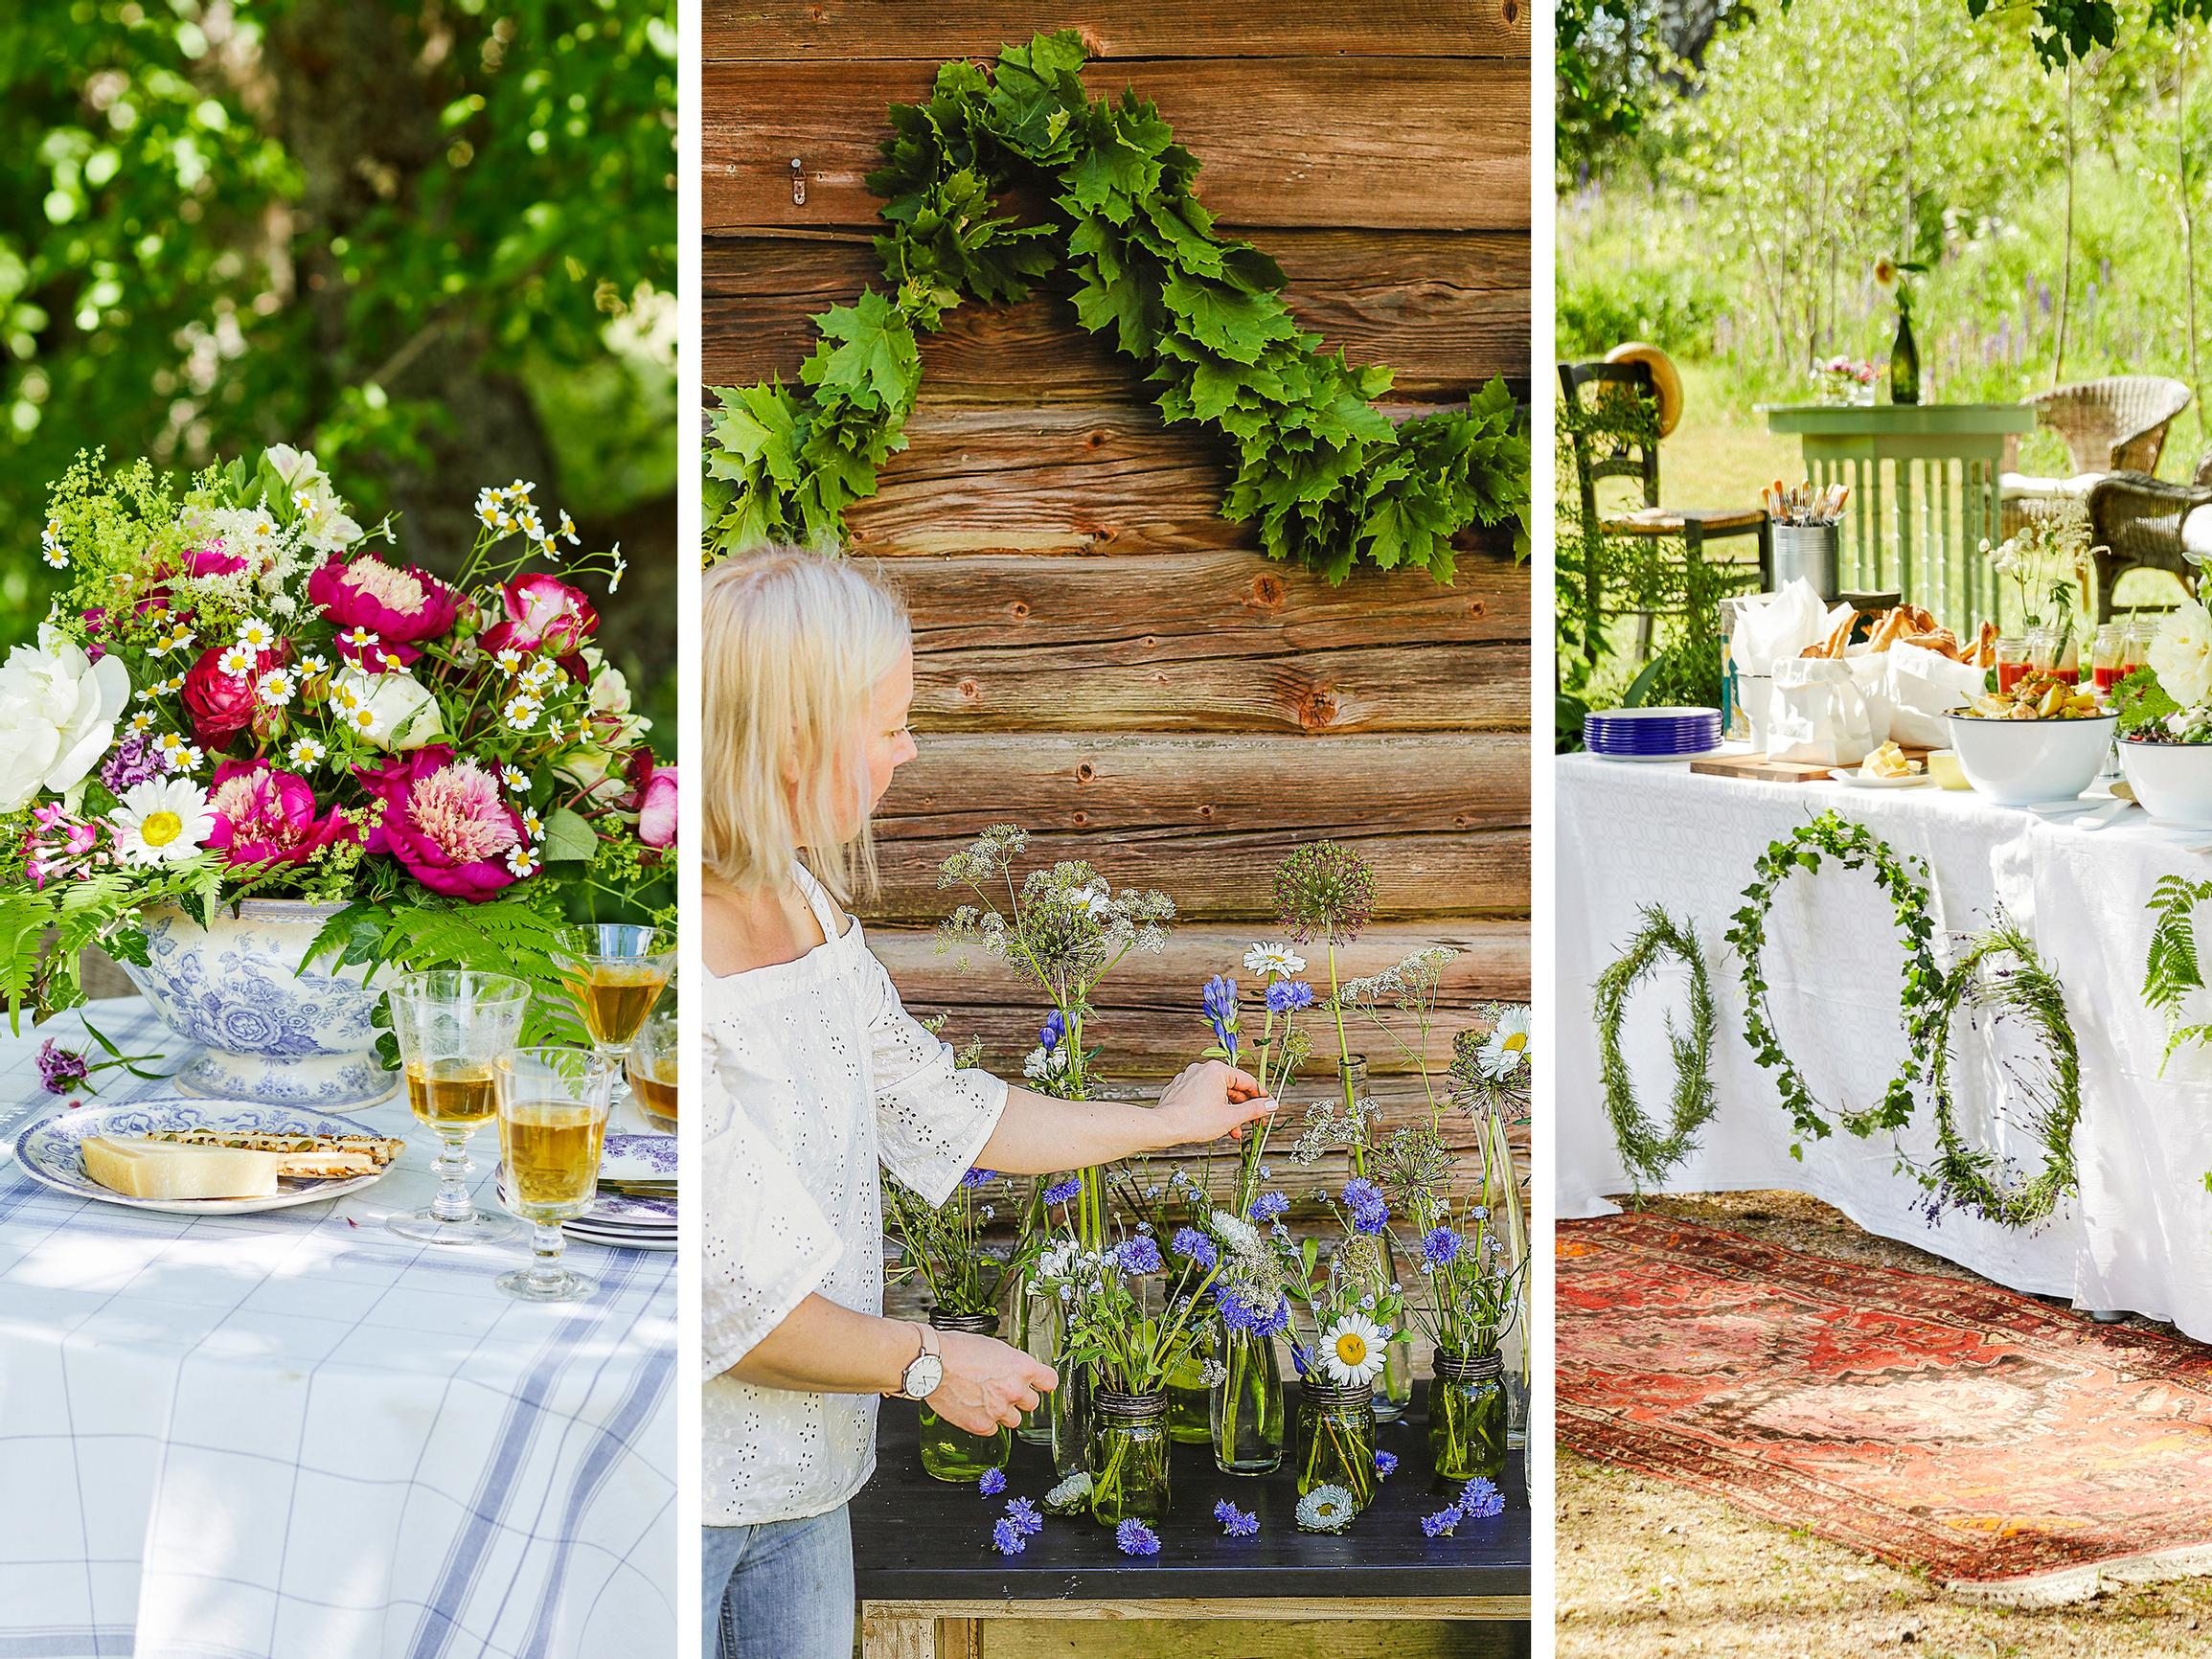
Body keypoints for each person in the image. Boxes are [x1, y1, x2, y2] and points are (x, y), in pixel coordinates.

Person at [700, 548, 1274, 1659]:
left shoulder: (801, 901)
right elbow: (735, 1310)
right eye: (887, 726)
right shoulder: (687, 968)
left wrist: (1166, 1119)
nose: (908, 749)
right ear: (791, 740)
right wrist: (928, 1361)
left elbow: (948, 1108)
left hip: (808, 1478)